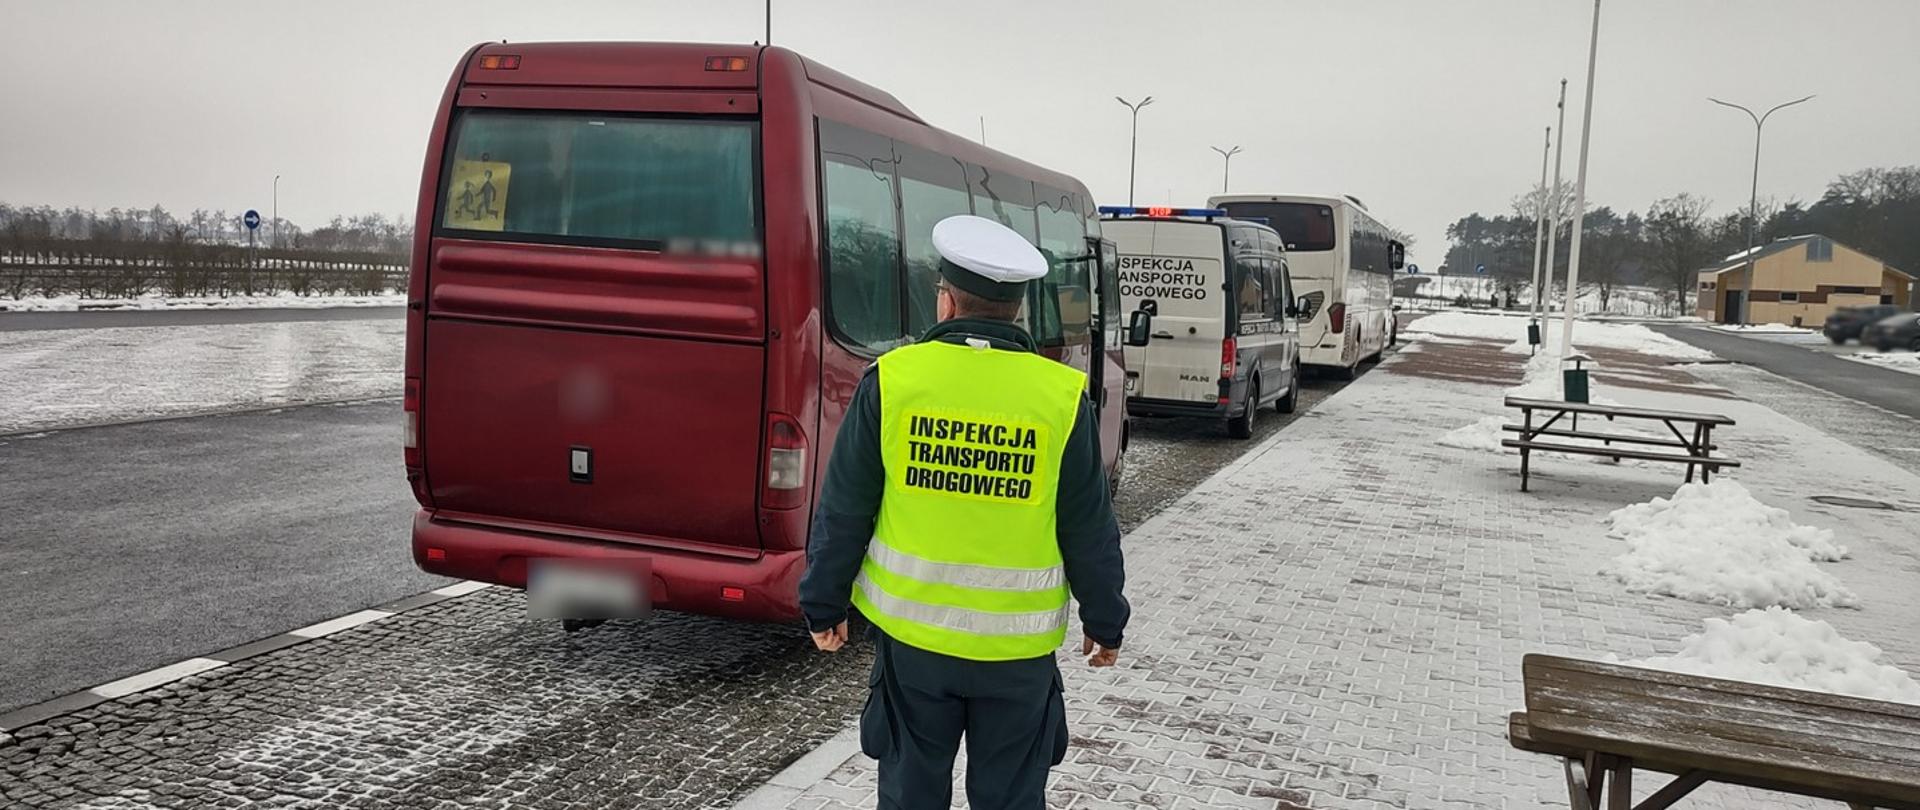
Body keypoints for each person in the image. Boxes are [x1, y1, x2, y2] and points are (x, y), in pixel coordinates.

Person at [798, 214, 1130, 810]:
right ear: (1017, 311)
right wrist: (1104, 621)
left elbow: (845, 507)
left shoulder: (894, 382)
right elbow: (1088, 526)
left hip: (915, 648)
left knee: (911, 796)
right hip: (1017, 654)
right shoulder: (1059, 396)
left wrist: (824, 602)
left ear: (946, 301)